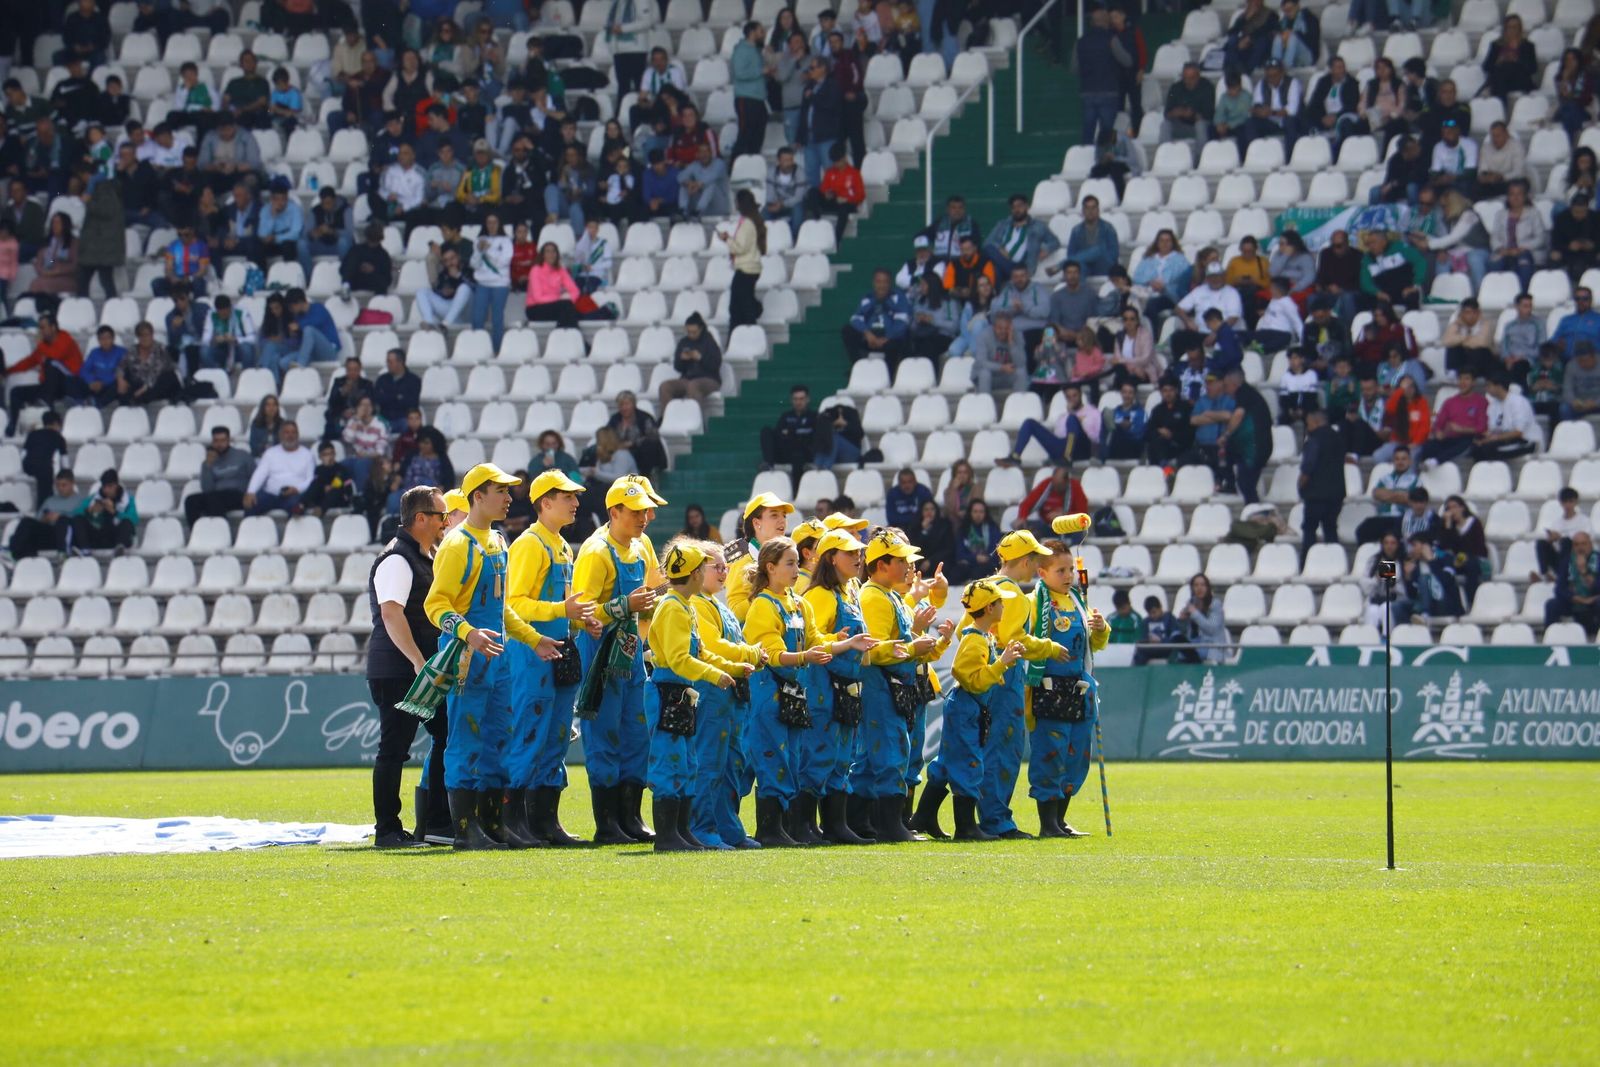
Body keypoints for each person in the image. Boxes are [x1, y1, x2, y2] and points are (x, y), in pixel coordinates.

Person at [423, 464, 561, 850]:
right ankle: (465, 829)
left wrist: (533, 640)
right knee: (466, 740)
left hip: (498, 659)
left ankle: (494, 826)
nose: (508, 498)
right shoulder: (457, 545)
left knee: (500, 739)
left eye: (508, 490)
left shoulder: (499, 541)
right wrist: (468, 633)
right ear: (477, 496)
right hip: (468, 659)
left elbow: (502, 610)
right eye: (500, 490)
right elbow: (435, 605)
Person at [742, 535, 877, 847]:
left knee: (791, 760)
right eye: (789, 563)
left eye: (796, 563)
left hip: (792, 693)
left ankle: (784, 829)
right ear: (770, 567)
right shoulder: (763, 606)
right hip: (768, 693)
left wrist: (848, 643)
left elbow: (816, 639)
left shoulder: (798, 603)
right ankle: (770, 830)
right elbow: (770, 653)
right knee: (772, 758)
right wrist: (805, 658)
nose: (796, 569)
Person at [505, 468, 596, 847]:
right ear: (545, 503)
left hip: (561, 649)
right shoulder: (530, 544)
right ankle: (513, 820)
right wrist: (562, 609)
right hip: (532, 653)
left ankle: (545, 820)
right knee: (530, 733)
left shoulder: (561, 545)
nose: (576, 503)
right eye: (568, 497)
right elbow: (515, 603)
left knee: (557, 736)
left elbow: (565, 604)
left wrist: (581, 620)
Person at [572, 476, 665, 844]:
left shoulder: (642, 547)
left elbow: (654, 590)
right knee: (604, 735)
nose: (644, 518)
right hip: (600, 655)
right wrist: (625, 605)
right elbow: (580, 613)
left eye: (645, 511)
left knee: (635, 734)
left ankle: (631, 817)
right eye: (637, 511)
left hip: (631, 653)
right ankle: (607, 822)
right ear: (614, 512)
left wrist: (656, 601)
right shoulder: (596, 552)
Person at [852, 530, 952, 843]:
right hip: (879, 684)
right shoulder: (872, 597)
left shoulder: (890, 595)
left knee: (887, 753)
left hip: (894, 684)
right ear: (881, 564)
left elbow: (903, 644)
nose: (908, 564)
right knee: (887, 753)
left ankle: (871, 823)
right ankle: (887, 825)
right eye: (901, 559)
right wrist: (912, 641)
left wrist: (926, 642)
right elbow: (877, 648)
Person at [368, 485, 453, 848]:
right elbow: (391, 614)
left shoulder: (422, 556)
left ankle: (435, 822)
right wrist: (419, 662)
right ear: (420, 519)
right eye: (440, 516)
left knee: (445, 737)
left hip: (417, 669)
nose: (445, 523)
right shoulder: (397, 560)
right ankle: (387, 830)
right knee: (394, 749)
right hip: (402, 670)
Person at [1023, 537, 1110, 838]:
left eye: (1070, 569)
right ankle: (1047, 824)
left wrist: (1100, 629)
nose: (1069, 576)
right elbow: (1023, 641)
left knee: (1075, 757)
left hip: (1080, 690)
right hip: (1048, 691)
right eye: (1060, 570)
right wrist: (1046, 648)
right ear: (1042, 573)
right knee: (1051, 754)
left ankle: (1061, 819)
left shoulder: (1078, 601)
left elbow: (1092, 646)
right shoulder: (1035, 603)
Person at [687, 540, 765, 849]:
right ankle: (702, 826)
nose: (723, 572)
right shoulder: (695, 604)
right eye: (716, 567)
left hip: (732, 694)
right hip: (711, 690)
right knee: (709, 760)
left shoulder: (717, 604)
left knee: (732, 761)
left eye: (725, 567)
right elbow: (711, 646)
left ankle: (727, 825)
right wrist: (750, 653)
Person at [5, 313, 83, 430]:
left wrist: (40, 344)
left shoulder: (66, 339)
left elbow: (56, 355)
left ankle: (48, 411)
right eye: (39, 328)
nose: (40, 331)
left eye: (42, 327)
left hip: (69, 384)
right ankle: (12, 427)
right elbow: (29, 361)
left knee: (51, 363)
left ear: (53, 327)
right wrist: (7, 371)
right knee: (16, 392)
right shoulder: (44, 346)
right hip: (48, 387)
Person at [1003, 385, 1100, 467]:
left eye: (1075, 396)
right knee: (1029, 423)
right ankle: (1015, 456)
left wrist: (1079, 423)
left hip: (1082, 448)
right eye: (1069, 397)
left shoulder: (1093, 412)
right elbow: (1059, 436)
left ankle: (1067, 457)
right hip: (1063, 448)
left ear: (1080, 395)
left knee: (1072, 419)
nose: (1072, 399)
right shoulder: (1063, 417)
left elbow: (1097, 438)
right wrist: (1071, 415)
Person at [841, 269, 911, 370]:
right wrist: (867, 333)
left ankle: (889, 376)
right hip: (871, 337)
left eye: (885, 282)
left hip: (890, 339)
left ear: (890, 283)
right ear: (874, 283)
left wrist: (888, 337)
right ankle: (858, 367)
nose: (881, 285)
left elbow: (902, 321)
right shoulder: (868, 298)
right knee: (848, 330)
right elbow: (855, 318)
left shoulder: (898, 297)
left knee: (901, 338)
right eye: (878, 282)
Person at [1298, 409, 1346, 559]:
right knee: (1330, 529)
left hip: (1315, 494)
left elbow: (1308, 466)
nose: (1307, 427)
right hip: (1336, 494)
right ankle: (1335, 561)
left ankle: (1307, 562)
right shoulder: (1338, 437)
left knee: (1310, 530)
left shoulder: (1314, 439)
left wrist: (1301, 485)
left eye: (1309, 423)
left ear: (1316, 422)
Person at [184, 427, 255, 525]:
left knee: (214, 499)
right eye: (216, 441)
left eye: (223, 440)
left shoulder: (242, 456)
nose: (219, 444)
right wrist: (208, 466)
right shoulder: (208, 462)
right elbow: (207, 489)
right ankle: (196, 533)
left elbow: (255, 476)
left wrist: (251, 493)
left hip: (239, 495)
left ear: (229, 440)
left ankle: (222, 533)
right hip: (216, 497)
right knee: (191, 500)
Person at [1416, 368, 1487, 466]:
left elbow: (1481, 427)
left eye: (1467, 379)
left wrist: (1462, 429)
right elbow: (1438, 424)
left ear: (1473, 382)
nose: (1463, 382)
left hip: (1468, 439)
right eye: (1460, 379)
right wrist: (1438, 433)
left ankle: (1435, 461)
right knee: (1426, 446)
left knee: (1467, 443)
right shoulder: (1450, 402)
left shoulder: (1481, 401)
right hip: (1449, 438)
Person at [244, 420, 315, 515]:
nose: (290, 436)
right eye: (287, 432)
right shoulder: (270, 453)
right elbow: (260, 474)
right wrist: (251, 492)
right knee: (251, 504)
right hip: (270, 494)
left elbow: (311, 479)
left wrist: (297, 489)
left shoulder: (307, 454)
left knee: (297, 509)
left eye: (293, 432)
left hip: (295, 495)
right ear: (280, 435)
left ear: (298, 435)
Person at [8, 469, 84, 558]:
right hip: (49, 532)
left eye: (64, 485)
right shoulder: (50, 500)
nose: (60, 488)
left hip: (65, 535)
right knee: (26, 522)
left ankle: (14, 554)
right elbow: (38, 520)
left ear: (72, 483)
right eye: (58, 485)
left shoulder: (81, 501)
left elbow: (81, 522)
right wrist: (46, 518)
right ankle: (12, 553)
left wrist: (60, 516)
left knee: (62, 522)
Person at [724, 189, 766, 330]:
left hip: (745, 269)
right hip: (751, 268)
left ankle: (745, 334)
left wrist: (727, 239)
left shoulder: (747, 223)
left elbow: (740, 248)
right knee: (744, 305)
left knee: (737, 308)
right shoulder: (753, 220)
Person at [1545, 531, 1600, 636]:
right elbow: (1559, 589)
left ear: (1590, 544)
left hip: (1594, 601)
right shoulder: (1567, 561)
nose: (1580, 548)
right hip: (1574, 601)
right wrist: (1576, 598)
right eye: (1576, 544)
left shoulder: (1598, 560)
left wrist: (1583, 571)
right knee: (1551, 605)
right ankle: (1549, 638)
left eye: (1583, 544)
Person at [1473, 373, 1539, 461]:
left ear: (1499, 386)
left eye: (1489, 386)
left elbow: (1518, 432)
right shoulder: (1493, 404)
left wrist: (1492, 439)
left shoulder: (1518, 402)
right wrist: (1483, 439)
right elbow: (1493, 429)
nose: (1486, 389)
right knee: (1476, 448)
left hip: (1525, 441)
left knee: (1488, 449)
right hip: (1504, 439)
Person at [69, 468, 137, 551]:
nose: (106, 490)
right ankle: (84, 549)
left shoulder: (128, 500)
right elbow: (76, 512)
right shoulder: (95, 498)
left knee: (127, 522)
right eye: (104, 487)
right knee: (78, 519)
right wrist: (89, 511)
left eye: (110, 486)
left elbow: (134, 519)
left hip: (115, 535)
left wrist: (114, 512)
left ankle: (120, 549)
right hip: (98, 535)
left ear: (116, 485)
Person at [1535, 488, 1592, 582]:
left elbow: (1587, 542)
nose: (1568, 505)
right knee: (1541, 543)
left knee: (1566, 542)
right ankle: (1545, 574)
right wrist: (1551, 539)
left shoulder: (1584, 521)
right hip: (1561, 558)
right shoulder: (1557, 523)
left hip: (1577, 558)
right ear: (1561, 503)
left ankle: (1562, 577)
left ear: (1576, 502)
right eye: (1565, 502)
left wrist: (1561, 537)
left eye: (1570, 502)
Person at [1016, 465, 1089, 537]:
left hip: (1067, 526)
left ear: (1067, 482)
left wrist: (1064, 515)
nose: (1056, 488)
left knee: (1079, 530)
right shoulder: (1046, 484)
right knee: (1026, 528)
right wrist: (1022, 517)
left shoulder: (1075, 487)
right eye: (1054, 484)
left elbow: (1083, 514)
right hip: (1046, 525)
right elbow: (1027, 503)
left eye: (1059, 485)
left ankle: (1072, 548)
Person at [523, 241, 580, 328]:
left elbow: (575, 291)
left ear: (557, 254)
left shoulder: (560, 270)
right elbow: (538, 298)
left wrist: (567, 299)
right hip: (535, 308)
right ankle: (574, 337)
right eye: (548, 251)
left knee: (569, 308)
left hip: (556, 306)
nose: (551, 254)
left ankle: (562, 336)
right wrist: (559, 298)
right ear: (543, 255)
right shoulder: (536, 270)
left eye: (554, 251)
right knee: (566, 307)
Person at [417, 245, 473, 331]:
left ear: (458, 257)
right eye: (446, 261)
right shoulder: (444, 273)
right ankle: (429, 322)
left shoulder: (468, 268)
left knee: (464, 288)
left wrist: (459, 276)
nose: (450, 263)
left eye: (452, 258)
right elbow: (436, 289)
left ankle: (445, 324)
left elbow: (475, 287)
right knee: (421, 291)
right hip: (451, 312)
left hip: (467, 312)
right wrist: (443, 292)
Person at [1065, 195, 1119, 280]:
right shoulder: (1076, 230)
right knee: (1079, 267)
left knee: (1098, 251)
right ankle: (1082, 293)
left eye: (1093, 208)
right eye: (1087, 208)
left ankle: (1061, 265)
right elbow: (1071, 255)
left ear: (1098, 210)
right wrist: (1088, 257)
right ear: (1083, 211)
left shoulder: (1108, 228)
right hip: (1084, 266)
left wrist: (1096, 255)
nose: (1090, 211)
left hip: (1103, 265)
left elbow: (1114, 255)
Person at [1179, 573, 1228, 664]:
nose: (1199, 588)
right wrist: (1182, 620)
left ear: (1208, 587)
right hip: (1194, 644)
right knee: (1178, 653)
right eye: (1196, 585)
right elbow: (1184, 633)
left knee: (1187, 654)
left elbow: (1212, 629)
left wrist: (1195, 613)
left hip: (1211, 647)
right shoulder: (1191, 604)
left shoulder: (1215, 604)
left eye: (1203, 585)